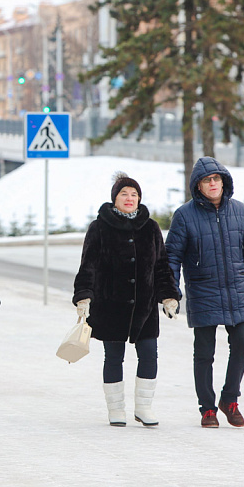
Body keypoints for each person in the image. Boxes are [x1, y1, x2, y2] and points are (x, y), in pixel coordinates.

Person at [165, 157, 244, 428]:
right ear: (198, 186)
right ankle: (207, 409)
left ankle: (229, 399)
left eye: (216, 179)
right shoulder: (184, 215)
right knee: (204, 353)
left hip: (238, 291)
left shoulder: (240, 212)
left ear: (224, 182)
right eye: (206, 180)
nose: (212, 184)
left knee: (243, 345)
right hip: (203, 290)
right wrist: (171, 292)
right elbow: (171, 257)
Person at [73, 173, 179, 427]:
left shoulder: (151, 228)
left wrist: (169, 296)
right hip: (111, 305)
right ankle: (116, 409)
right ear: (115, 199)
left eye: (134, 194)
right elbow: (88, 265)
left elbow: (162, 265)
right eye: (124, 194)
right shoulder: (99, 227)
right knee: (113, 356)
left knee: (149, 354)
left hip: (145, 307)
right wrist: (84, 296)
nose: (129, 198)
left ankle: (143, 407)